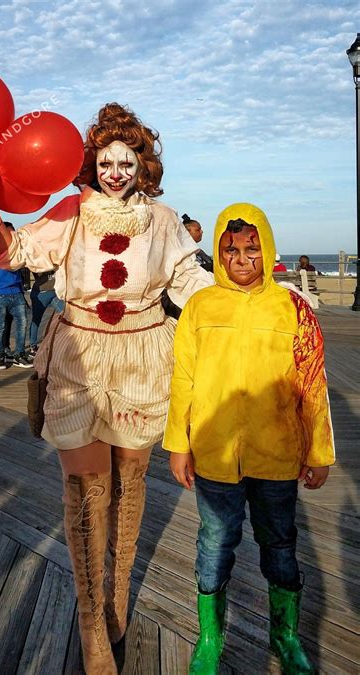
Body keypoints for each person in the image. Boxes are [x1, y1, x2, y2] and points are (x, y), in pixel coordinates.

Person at [0, 102, 213, 674]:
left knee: (130, 482)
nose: (117, 171)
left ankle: (117, 596)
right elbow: (18, 252)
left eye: (128, 161)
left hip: (143, 356)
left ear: (142, 165)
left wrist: (239, 296)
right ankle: (89, 617)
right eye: (107, 161)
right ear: (93, 163)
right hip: (79, 355)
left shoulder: (164, 219)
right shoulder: (73, 210)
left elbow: (187, 278)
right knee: (86, 486)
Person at [163, 203, 335, 674]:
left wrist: (319, 451)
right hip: (215, 453)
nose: (242, 258)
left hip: (277, 455)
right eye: (232, 249)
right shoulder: (200, 305)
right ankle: (210, 638)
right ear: (218, 252)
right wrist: (179, 442)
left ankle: (285, 634)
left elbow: (312, 384)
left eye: (253, 250)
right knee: (214, 543)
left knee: (279, 544)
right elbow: (184, 379)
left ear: (268, 251)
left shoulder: (292, 307)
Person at [0, 222, 33, 370]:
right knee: (0, 326)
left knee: (22, 324)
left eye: (12, 234)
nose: (11, 237)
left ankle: (19, 354)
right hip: (0, 293)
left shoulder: (18, 250)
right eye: (7, 234)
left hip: (17, 292)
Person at [29, 269, 62, 357]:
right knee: (36, 320)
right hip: (41, 293)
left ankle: (61, 342)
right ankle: (33, 346)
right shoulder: (39, 258)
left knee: (65, 315)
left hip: (55, 293)